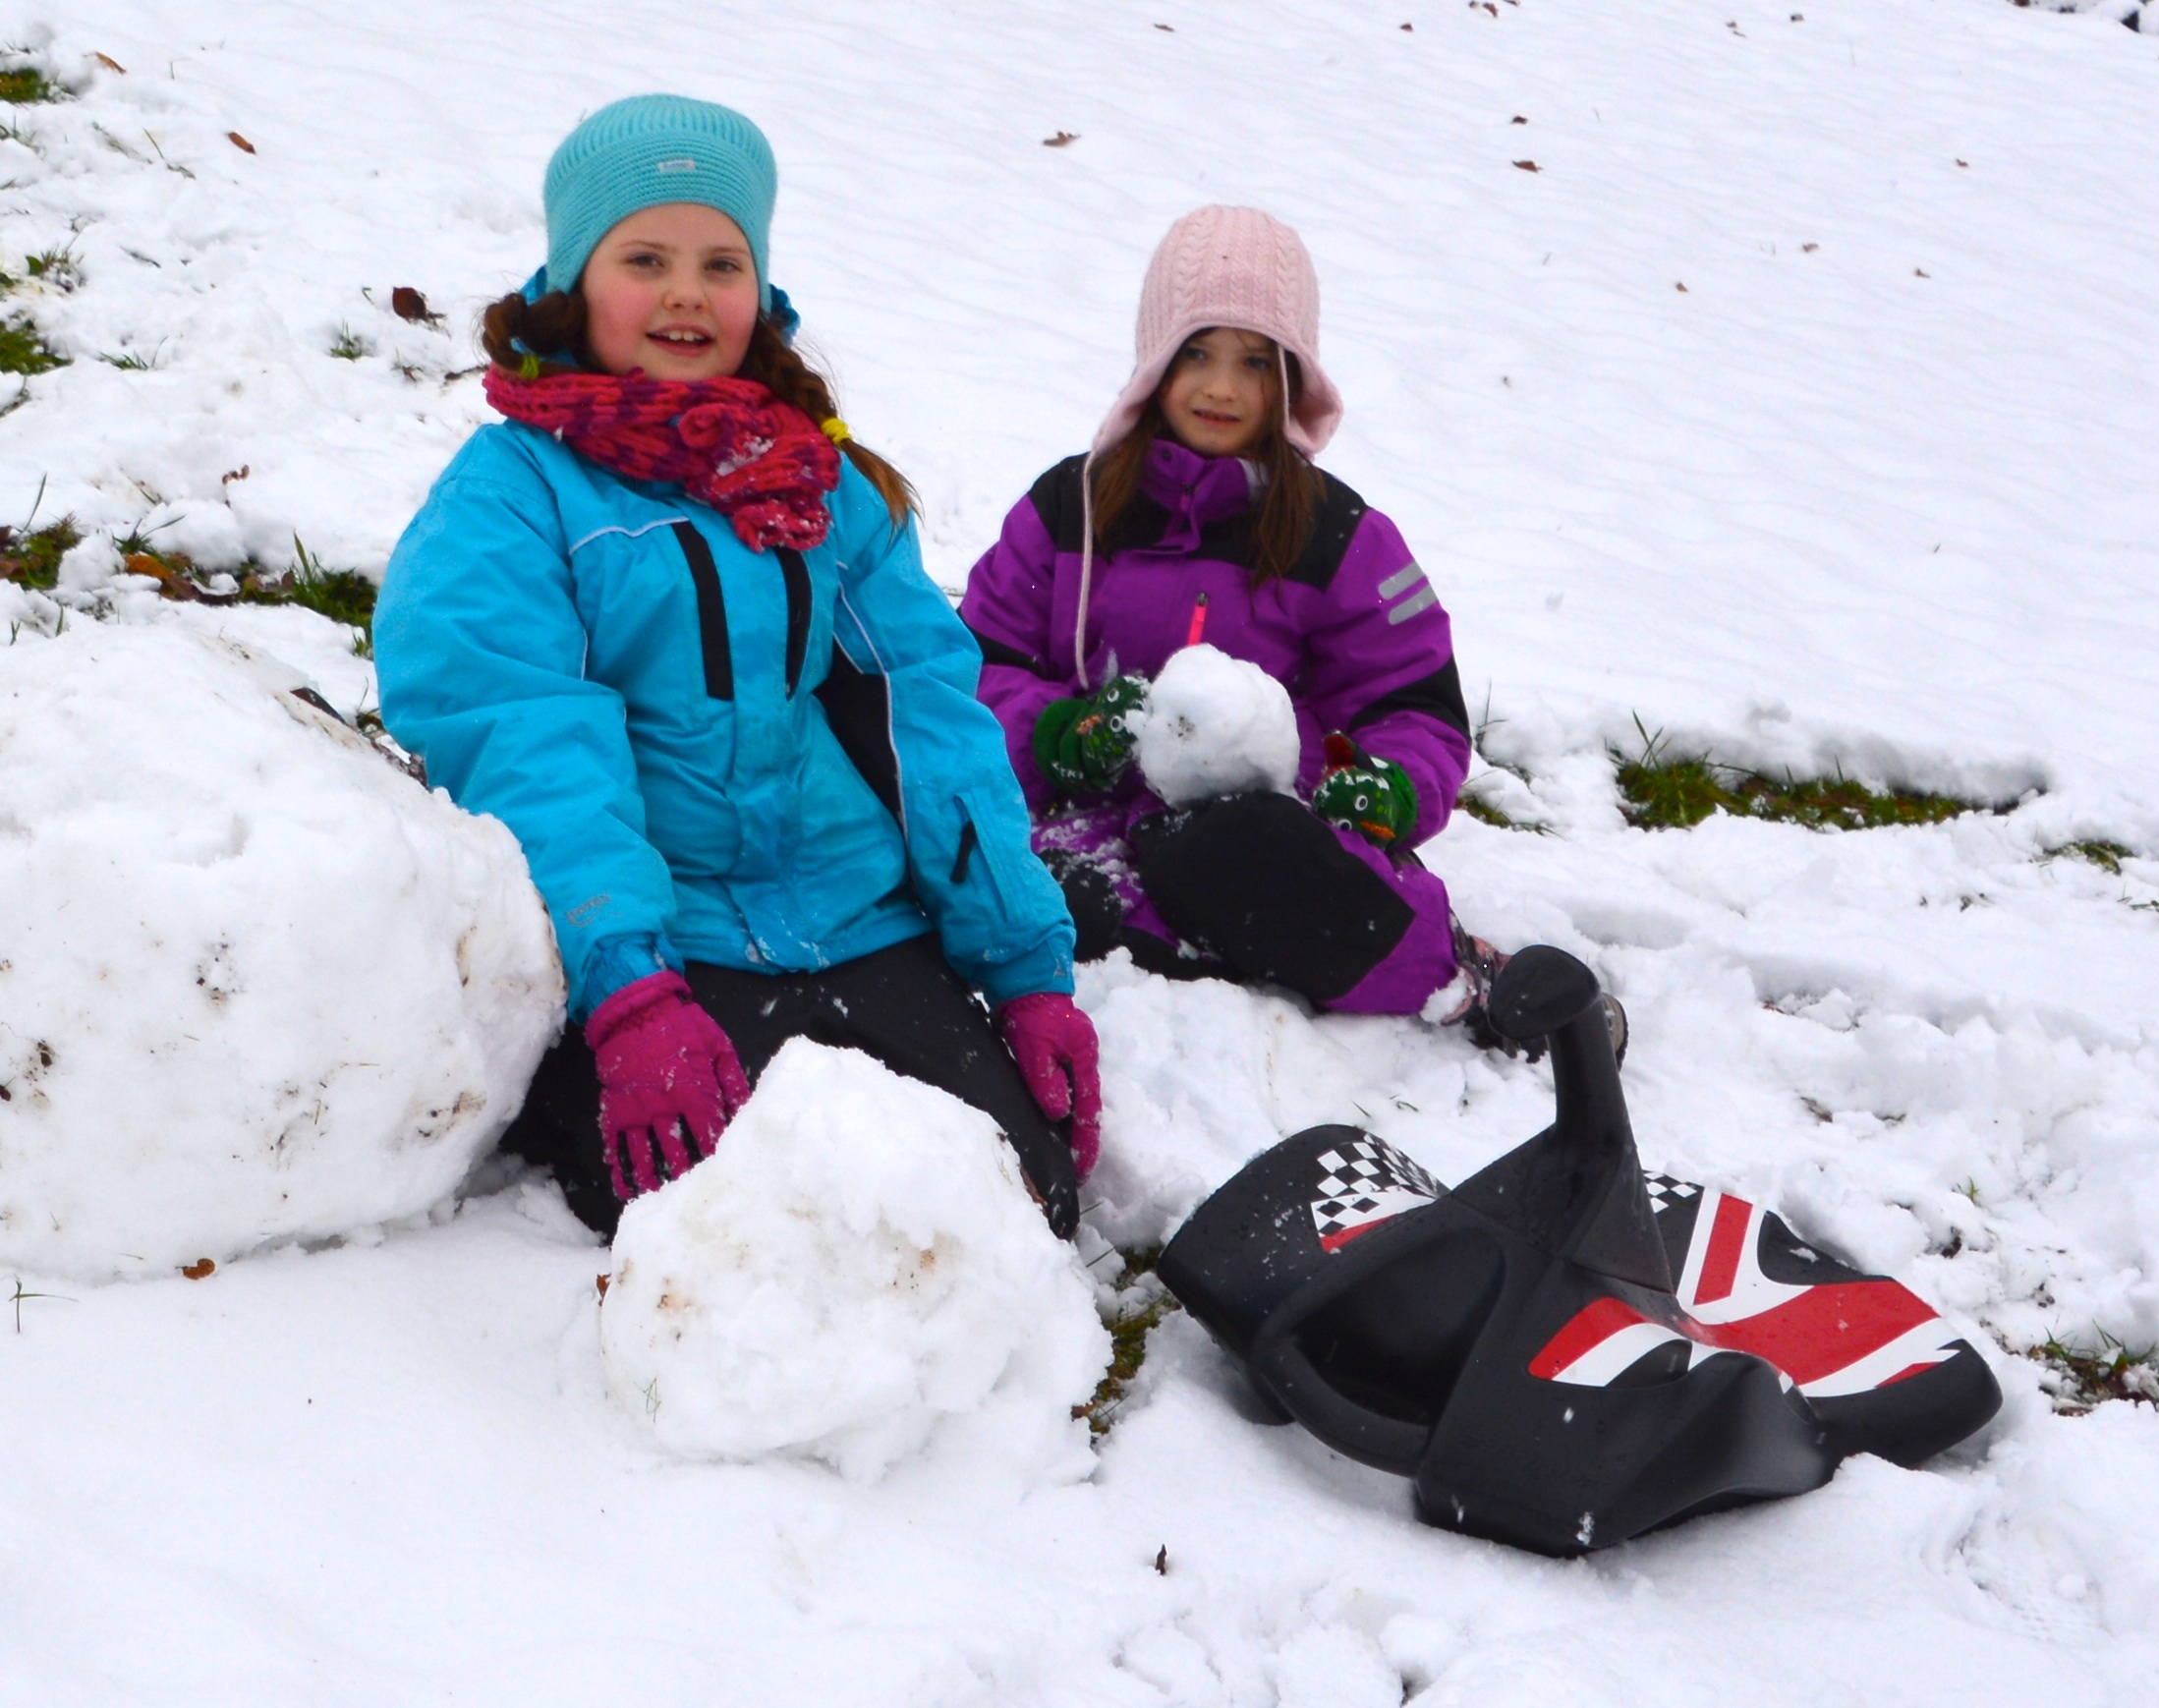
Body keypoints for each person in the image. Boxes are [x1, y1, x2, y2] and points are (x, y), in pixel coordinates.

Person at [375, 95, 1099, 1239]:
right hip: (655, 939)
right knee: (735, 1227)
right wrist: (626, 988)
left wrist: (1023, 966)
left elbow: (927, 715)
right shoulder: (511, 497)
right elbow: (522, 739)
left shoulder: (815, 481)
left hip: (856, 915)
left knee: (1014, 1205)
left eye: (721, 262)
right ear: (573, 280)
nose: (684, 292)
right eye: (644, 257)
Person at [958, 205, 1511, 1043]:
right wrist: (1053, 733)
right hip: (1082, 823)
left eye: (1253, 363)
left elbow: (1414, 706)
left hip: (1255, 833)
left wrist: (1387, 786)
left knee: (1263, 870)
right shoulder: (1066, 510)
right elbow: (968, 672)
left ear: (1289, 378)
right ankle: (1193, 959)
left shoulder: (1339, 537)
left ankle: (1460, 979)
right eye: (1197, 355)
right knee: (1021, 894)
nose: (1221, 389)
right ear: (1154, 365)